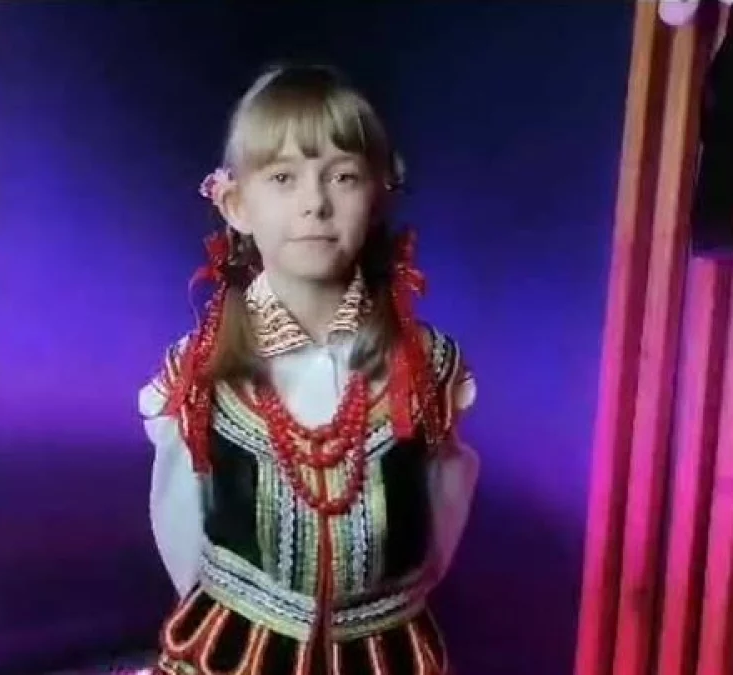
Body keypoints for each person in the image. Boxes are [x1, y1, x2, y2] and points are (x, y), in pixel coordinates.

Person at [138, 63, 480, 675]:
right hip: (231, 655)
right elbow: (180, 525)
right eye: (283, 178)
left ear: (377, 195)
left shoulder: (430, 369)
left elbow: (441, 521)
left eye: (343, 177)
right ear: (235, 204)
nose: (315, 204)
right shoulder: (197, 371)